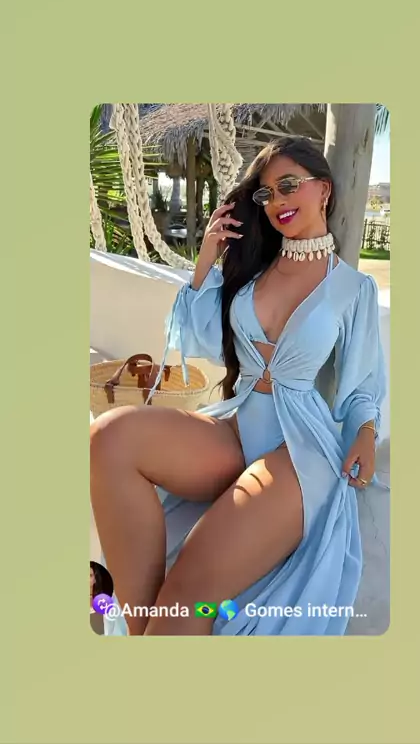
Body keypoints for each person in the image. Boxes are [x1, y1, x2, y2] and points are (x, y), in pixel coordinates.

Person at [90, 136, 386, 637]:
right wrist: (207, 259)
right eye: (265, 193)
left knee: (187, 592)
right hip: (237, 423)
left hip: (299, 453)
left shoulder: (353, 289)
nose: (276, 201)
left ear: (324, 190)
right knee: (108, 438)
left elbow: (362, 385)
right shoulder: (254, 273)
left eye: (288, 185)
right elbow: (200, 340)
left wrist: (365, 432)